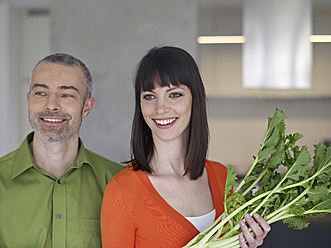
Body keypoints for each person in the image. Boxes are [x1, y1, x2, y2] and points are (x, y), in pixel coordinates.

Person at [101, 46, 271, 248]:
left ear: (195, 99)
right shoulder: (122, 191)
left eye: (174, 95)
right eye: (149, 96)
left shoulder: (225, 178)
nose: (160, 108)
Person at [0, 53, 123, 248]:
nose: (51, 105)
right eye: (40, 93)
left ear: (86, 107)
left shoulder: (119, 183)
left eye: (66, 95)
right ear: (28, 99)